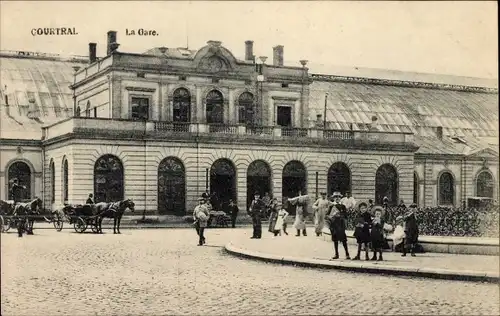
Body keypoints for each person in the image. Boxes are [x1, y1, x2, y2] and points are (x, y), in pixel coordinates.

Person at [326, 192, 350, 260]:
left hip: (341, 224)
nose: (337, 198)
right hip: (334, 225)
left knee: (344, 240)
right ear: (333, 198)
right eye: (336, 197)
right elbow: (327, 215)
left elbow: (346, 216)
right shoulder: (331, 206)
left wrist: (340, 215)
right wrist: (332, 216)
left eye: (339, 197)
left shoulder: (343, 206)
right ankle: (336, 254)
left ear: (340, 198)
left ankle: (347, 254)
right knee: (335, 240)